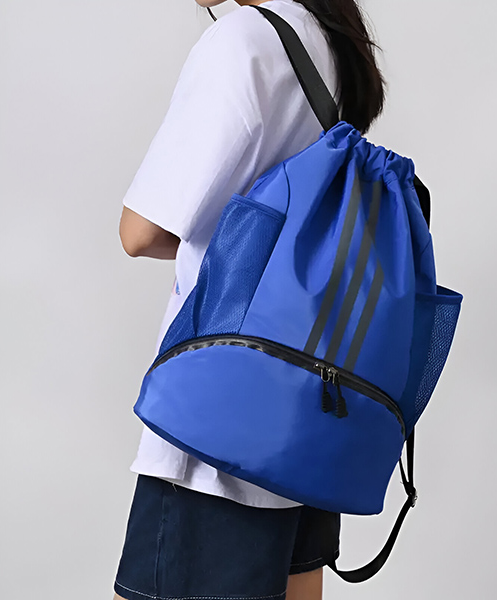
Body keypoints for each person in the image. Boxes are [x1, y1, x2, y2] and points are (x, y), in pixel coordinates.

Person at [114, 1, 386, 599]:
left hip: (216, 425)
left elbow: (141, 231)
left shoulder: (241, 40)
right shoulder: (331, 41)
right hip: (307, 409)